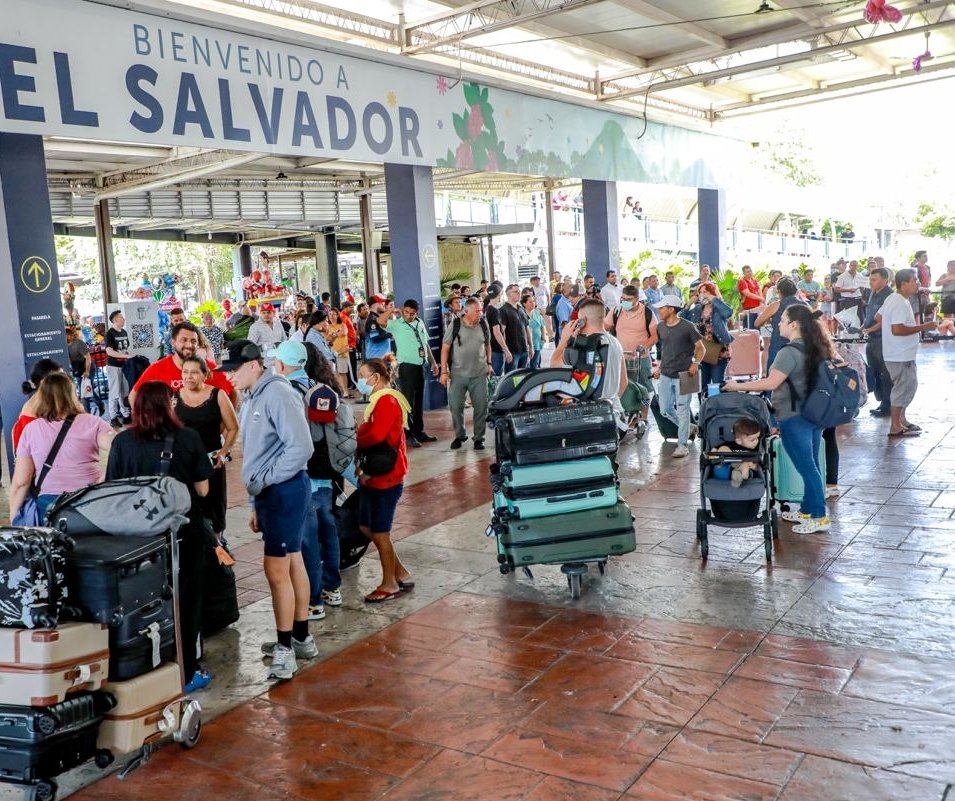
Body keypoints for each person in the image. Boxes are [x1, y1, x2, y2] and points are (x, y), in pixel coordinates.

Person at [215, 340, 316, 680]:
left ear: (255, 365)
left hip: (285, 490)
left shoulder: (277, 393)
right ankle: (301, 638)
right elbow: (260, 451)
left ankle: (286, 648)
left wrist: (266, 481)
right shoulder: (252, 397)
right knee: (293, 560)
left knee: (276, 571)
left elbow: (301, 447)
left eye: (234, 369)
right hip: (272, 495)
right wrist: (258, 499)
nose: (229, 376)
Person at [105, 381, 212, 690]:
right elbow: (203, 490)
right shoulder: (188, 438)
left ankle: (148, 666)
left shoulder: (122, 443)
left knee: (145, 601)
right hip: (183, 535)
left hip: (139, 541)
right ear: (170, 405)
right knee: (187, 602)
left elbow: (113, 489)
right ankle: (187, 671)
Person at [724, 304, 832, 534]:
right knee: (811, 464)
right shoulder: (816, 347)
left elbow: (771, 383)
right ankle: (808, 508)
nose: (777, 323)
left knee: (807, 467)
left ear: (794, 325)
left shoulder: (788, 352)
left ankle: (820, 516)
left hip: (794, 416)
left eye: (782, 320)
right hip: (814, 414)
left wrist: (738, 385)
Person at [10, 372, 114, 524]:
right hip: (91, 501)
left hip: (49, 507)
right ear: (72, 393)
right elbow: (120, 447)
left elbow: (21, 483)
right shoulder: (93, 423)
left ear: (41, 396)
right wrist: (103, 479)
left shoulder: (30, 430)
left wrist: (14, 518)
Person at [355, 359, 413, 602]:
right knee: (366, 527)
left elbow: (377, 434)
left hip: (386, 475)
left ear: (376, 377)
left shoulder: (387, 401)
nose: (360, 380)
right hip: (377, 474)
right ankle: (399, 572)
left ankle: (389, 584)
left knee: (380, 532)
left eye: (363, 375)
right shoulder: (380, 401)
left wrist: (359, 432)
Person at [295, 344, 344, 618]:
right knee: (329, 528)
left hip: (308, 473)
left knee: (309, 538)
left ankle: (313, 601)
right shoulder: (329, 389)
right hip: (330, 471)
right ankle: (332, 588)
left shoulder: (296, 393)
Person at [174, 356, 239, 539]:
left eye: (194, 372)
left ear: (205, 375)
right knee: (190, 505)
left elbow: (233, 427)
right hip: (186, 464)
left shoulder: (218, 395)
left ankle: (217, 544)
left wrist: (224, 451)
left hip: (212, 462)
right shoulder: (175, 397)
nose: (189, 377)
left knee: (214, 504)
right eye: (185, 372)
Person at [876, 268, 937, 437]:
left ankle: (902, 420)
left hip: (899, 352)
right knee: (902, 389)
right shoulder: (899, 302)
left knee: (909, 386)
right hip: (899, 354)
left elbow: (878, 317)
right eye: (914, 280)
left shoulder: (893, 298)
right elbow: (897, 329)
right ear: (903, 284)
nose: (917, 283)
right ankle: (895, 426)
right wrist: (924, 327)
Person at [551, 298, 627, 424]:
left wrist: (564, 339)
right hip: (615, 415)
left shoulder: (584, 344)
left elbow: (554, 364)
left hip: (591, 418)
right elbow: (623, 383)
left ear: (583, 321)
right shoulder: (615, 342)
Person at [130, 322, 235, 408]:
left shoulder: (209, 367)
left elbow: (233, 393)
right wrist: (145, 425)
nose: (189, 345)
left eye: (193, 341)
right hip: (170, 431)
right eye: (184, 340)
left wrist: (226, 424)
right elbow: (133, 396)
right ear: (173, 343)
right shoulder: (157, 368)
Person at [652, 296, 705, 458]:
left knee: (683, 410)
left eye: (662, 308)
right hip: (666, 374)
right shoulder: (660, 327)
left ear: (671, 309)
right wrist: (660, 368)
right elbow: (666, 350)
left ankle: (682, 445)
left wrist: (695, 363)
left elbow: (701, 348)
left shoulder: (688, 327)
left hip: (685, 375)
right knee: (665, 410)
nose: (659, 311)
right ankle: (688, 427)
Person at [441, 297, 492, 451]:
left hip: (479, 374)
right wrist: (444, 371)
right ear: (467, 311)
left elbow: (488, 345)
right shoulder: (455, 325)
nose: (480, 313)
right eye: (477, 311)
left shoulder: (483, 323)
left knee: (481, 407)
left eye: (481, 310)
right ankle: (460, 435)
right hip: (458, 374)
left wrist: (489, 363)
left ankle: (479, 438)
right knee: (455, 406)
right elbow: (445, 348)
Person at [392, 299, 440, 447]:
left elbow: (425, 344)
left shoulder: (419, 323)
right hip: (407, 367)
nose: (409, 316)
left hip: (421, 366)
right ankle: (409, 434)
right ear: (402, 310)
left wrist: (432, 362)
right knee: (408, 403)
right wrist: (391, 311)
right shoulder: (397, 325)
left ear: (416, 313)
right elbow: (381, 321)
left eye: (412, 313)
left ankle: (419, 432)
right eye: (406, 312)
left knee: (419, 402)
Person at [681, 281, 733, 388]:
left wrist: (713, 299)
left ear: (712, 292)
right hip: (701, 351)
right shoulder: (697, 309)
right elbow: (681, 320)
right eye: (700, 292)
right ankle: (704, 404)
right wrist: (688, 304)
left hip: (719, 351)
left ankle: (717, 403)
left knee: (717, 382)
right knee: (702, 384)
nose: (702, 295)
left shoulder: (720, 307)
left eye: (705, 292)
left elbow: (728, 313)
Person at [862, 266, 894, 417]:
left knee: (885, 372)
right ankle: (882, 401)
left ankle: (888, 403)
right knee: (874, 371)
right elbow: (870, 314)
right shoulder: (873, 294)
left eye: (874, 280)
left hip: (882, 338)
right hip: (871, 338)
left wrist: (871, 329)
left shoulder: (889, 296)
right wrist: (863, 327)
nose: (871, 283)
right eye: (870, 280)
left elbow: (885, 319)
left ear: (885, 280)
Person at [755, 277, 806, 369]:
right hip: (801, 346)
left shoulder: (776, 305)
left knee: (773, 378)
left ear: (779, 291)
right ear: (795, 290)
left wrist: (770, 320)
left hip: (779, 345)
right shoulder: (805, 305)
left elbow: (757, 323)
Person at [13, 359, 65, 450]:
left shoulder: (41, 399)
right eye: (59, 379)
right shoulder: (41, 403)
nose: (65, 382)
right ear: (44, 381)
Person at [711, 418, 762, 488]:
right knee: (723, 449)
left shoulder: (757, 449)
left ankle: (738, 476)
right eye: (752, 440)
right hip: (728, 468)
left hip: (746, 472)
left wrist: (754, 466)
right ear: (739, 441)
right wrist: (714, 451)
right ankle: (729, 470)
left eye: (757, 438)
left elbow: (758, 466)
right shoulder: (731, 445)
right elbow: (715, 449)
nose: (756, 441)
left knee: (746, 466)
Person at [104, 309, 131, 427]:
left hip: (124, 366)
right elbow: (109, 351)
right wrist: (125, 356)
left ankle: (126, 414)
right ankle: (113, 417)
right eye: (121, 317)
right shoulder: (109, 334)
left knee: (124, 391)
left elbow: (125, 348)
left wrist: (127, 356)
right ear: (115, 320)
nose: (123, 319)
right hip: (113, 366)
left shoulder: (124, 332)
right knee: (114, 392)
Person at [500, 284, 533, 373]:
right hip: (512, 352)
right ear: (509, 294)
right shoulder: (503, 310)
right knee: (511, 379)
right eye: (516, 292)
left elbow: (527, 328)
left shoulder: (521, 309)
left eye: (519, 292)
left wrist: (531, 346)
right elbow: (501, 332)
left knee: (522, 377)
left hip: (524, 350)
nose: (519, 294)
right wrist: (506, 351)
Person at [325, 308, 352, 398]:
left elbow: (343, 333)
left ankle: (345, 391)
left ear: (337, 315)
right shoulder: (327, 327)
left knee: (342, 373)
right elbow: (327, 338)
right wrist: (335, 334)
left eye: (334, 314)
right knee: (334, 373)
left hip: (342, 352)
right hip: (331, 353)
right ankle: (337, 390)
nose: (332, 316)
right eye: (330, 314)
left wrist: (333, 334)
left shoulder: (343, 325)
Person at [363, 296, 395, 361]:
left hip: (383, 356)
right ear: (374, 305)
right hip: (376, 357)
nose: (383, 305)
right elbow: (375, 338)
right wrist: (390, 334)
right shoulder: (372, 320)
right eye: (381, 303)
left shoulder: (377, 318)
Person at [523, 292, 546, 369]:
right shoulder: (522, 313)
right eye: (530, 302)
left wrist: (543, 336)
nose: (533, 303)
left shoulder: (537, 313)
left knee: (535, 364)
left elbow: (542, 325)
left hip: (537, 342)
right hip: (526, 343)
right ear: (524, 304)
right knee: (526, 365)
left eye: (533, 301)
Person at [935, 259, 955, 336]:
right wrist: (947, 279)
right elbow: (937, 283)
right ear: (948, 266)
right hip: (947, 298)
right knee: (947, 317)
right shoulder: (944, 275)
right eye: (952, 265)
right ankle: (944, 334)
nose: (953, 267)